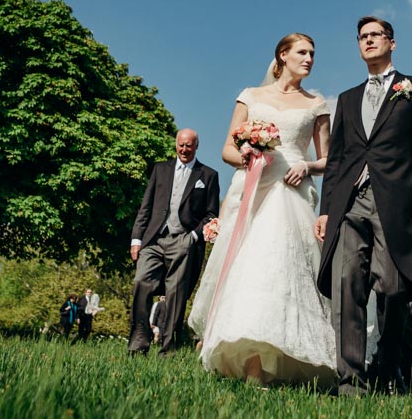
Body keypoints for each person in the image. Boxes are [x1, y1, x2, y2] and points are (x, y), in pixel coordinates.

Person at [189, 33, 336, 386]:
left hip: (291, 193)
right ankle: (251, 365)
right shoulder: (251, 97)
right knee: (249, 270)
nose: (309, 59)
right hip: (252, 190)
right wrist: (246, 156)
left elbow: (330, 159)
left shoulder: (317, 104)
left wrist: (308, 167)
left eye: (313, 53)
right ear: (282, 55)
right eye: (302, 52)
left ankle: (282, 359)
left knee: (281, 270)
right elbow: (227, 147)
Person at [315, 16, 412, 396]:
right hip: (348, 203)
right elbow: (336, 159)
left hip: (397, 202)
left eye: (376, 35)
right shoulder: (348, 98)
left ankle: (387, 372)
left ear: (392, 43)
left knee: (391, 289)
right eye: (362, 37)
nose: (369, 41)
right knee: (346, 286)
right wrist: (325, 208)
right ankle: (350, 382)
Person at [127, 128, 220, 356]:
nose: (184, 149)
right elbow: (146, 205)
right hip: (154, 239)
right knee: (141, 282)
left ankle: (168, 349)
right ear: (176, 145)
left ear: (196, 146)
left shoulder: (207, 175)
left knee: (175, 296)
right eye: (181, 145)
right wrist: (136, 238)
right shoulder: (160, 169)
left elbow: (211, 214)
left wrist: (194, 237)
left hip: (183, 240)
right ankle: (139, 342)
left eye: (189, 145)